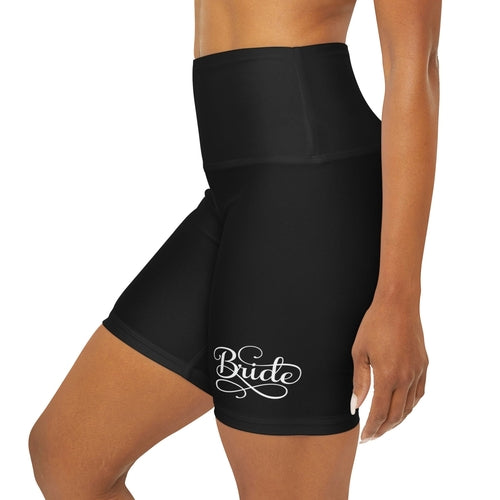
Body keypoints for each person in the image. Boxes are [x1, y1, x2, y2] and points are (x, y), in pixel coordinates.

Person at [28, 0, 441, 498]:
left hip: (311, 198)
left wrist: (399, 297)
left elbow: (414, 68)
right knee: (67, 458)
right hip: (234, 190)